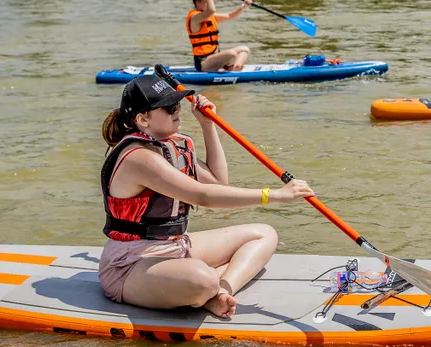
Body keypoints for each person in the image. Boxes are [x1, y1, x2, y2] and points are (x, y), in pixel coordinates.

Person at [99, 74, 315, 319]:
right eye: (170, 108)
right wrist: (273, 195)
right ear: (143, 119)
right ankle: (207, 287)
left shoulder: (171, 146)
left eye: (178, 105)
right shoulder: (139, 157)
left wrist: (207, 125)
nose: (177, 111)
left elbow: (218, 183)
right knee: (202, 279)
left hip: (175, 246)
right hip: (131, 264)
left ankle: (220, 293)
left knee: (264, 234)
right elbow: (204, 196)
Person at [186, 0, 252, 72]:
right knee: (232, 54)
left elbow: (230, 16)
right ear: (197, 2)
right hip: (203, 63)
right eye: (206, 1)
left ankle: (236, 68)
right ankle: (231, 66)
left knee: (244, 49)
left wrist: (244, 6)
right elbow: (212, 9)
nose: (208, 4)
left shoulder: (210, 16)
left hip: (214, 57)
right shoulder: (195, 18)